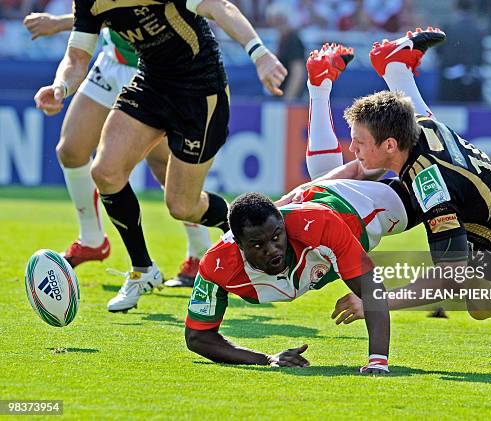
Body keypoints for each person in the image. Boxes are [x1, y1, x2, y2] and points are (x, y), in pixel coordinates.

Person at [309, 27, 491, 370]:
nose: (353, 150)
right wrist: (396, 72)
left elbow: (450, 279)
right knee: (481, 307)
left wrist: (378, 300)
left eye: (359, 143)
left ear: (390, 145)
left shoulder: (433, 189)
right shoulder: (419, 126)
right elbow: (410, 105)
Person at [33, 0, 287, 312]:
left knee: (182, 206)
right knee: (105, 171)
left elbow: (220, 6)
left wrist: (259, 54)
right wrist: (60, 87)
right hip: (150, 82)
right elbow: (76, 58)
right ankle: (143, 270)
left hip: (199, 87)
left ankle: (236, 224)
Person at [185, 44, 393, 373]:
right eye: (257, 244)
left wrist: (377, 362)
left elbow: (372, 288)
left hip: (360, 213)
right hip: (314, 196)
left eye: (274, 237)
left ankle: (397, 72)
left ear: (281, 226)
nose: (272, 250)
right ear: (236, 244)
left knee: (411, 162)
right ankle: (322, 84)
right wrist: (266, 359)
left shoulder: (320, 224)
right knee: (359, 167)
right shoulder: (217, 264)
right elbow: (198, 337)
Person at [24, 12, 211, 290]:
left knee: (165, 168)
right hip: (111, 62)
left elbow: (133, 11)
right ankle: (92, 240)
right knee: (71, 149)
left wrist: (60, 23)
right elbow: (98, 12)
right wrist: (60, 84)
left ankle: (200, 253)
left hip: (151, 71)